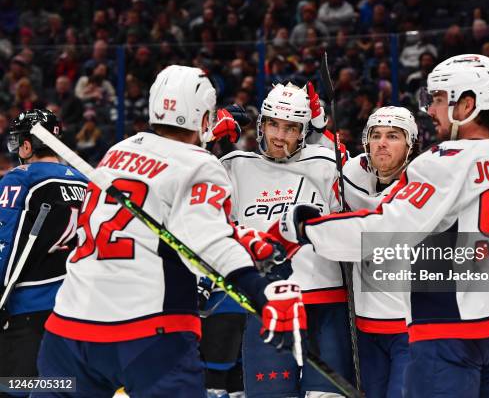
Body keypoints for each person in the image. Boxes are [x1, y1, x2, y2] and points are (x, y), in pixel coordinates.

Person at [273, 54, 489, 398]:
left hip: (451, 333)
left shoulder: (445, 162)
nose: (431, 110)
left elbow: (385, 230)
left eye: (438, 100)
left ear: (467, 105)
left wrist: (308, 229)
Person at [33, 66, 306, 397]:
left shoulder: (115, 152)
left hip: (69, 331)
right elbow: (208, 242)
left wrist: (236, 233)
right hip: (148, 335)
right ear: (204, 117)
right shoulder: (201, 164)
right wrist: (260, 295)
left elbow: (155, 213)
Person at [220, 81, 354, 397]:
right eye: (273, 125)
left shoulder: (326, 162)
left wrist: (326, 135)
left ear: (303, 131)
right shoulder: (234, 167)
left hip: (326, 305)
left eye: (291, 128)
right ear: (261, 124)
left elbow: (361, 186)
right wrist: (204, 137)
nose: (280, 136)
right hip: (268, 306)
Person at [0, 109, 87, 381]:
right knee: (58, 385)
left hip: (24, 306)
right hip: (69, 304)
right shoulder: (83, 180)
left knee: (15, 386)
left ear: (28, 144)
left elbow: (5, 240)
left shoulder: (21, 177)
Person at [342, 106, 419, 397]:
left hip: (410, 330)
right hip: (365, 327)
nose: (382, 143)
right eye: (376, 135)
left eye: (393, 136)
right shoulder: (352, 180)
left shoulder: (426, 186)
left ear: (410, 145)